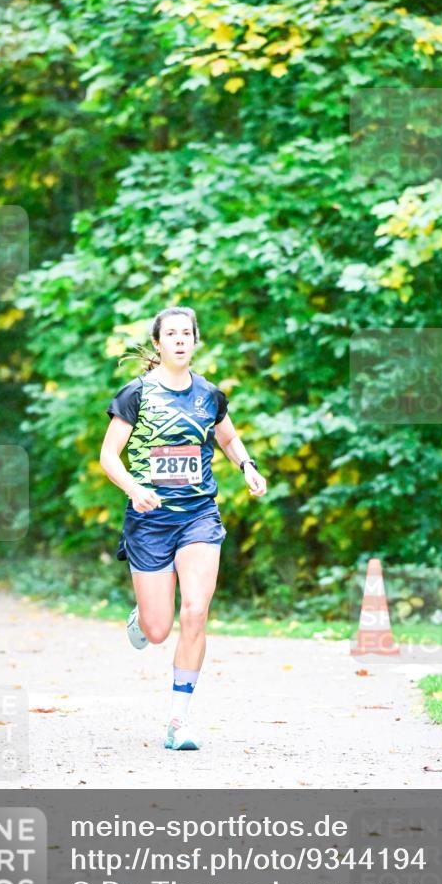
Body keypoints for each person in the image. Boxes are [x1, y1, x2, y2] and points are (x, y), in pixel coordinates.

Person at [100, 306, 267, 751]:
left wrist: (247, 466)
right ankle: (143, 614)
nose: (178, 340)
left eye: (185, 333)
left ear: (195, 341)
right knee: (158, 631)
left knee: (195, 611)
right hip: (150, 521)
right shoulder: (137, 394)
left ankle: (178, 720)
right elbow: (109, 457)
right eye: (170, 333)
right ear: (158, 343)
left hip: (198, 516)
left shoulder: (209, 394)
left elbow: (228, 437)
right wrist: (135, 488)